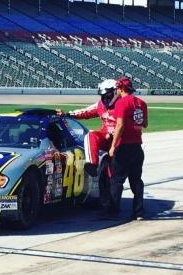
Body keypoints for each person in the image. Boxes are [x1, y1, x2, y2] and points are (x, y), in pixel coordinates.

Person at [104, 76, 148, 220]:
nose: (116, 91)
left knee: (117, 180)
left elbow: (120, 125)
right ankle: (139, 212)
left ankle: (113, 211)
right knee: (136, 180)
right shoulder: (142, 103)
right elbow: (145, 124)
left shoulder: (122, 103)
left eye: (117, 88)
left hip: (123, 146)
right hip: (137, 146)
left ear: (121, 88)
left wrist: (113, 146)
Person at [60, 78, 119, 176]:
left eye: (108, 95)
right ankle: (92, 164)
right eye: (103, 96)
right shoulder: (100, 105)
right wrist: (67, 114)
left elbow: (129, 124)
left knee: (115, 175)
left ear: (116, 92)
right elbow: (85, 112)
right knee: (91, 135)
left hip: (121, 139)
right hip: (106, 138)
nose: (105, 98)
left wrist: (115, 133)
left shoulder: (123, 104)